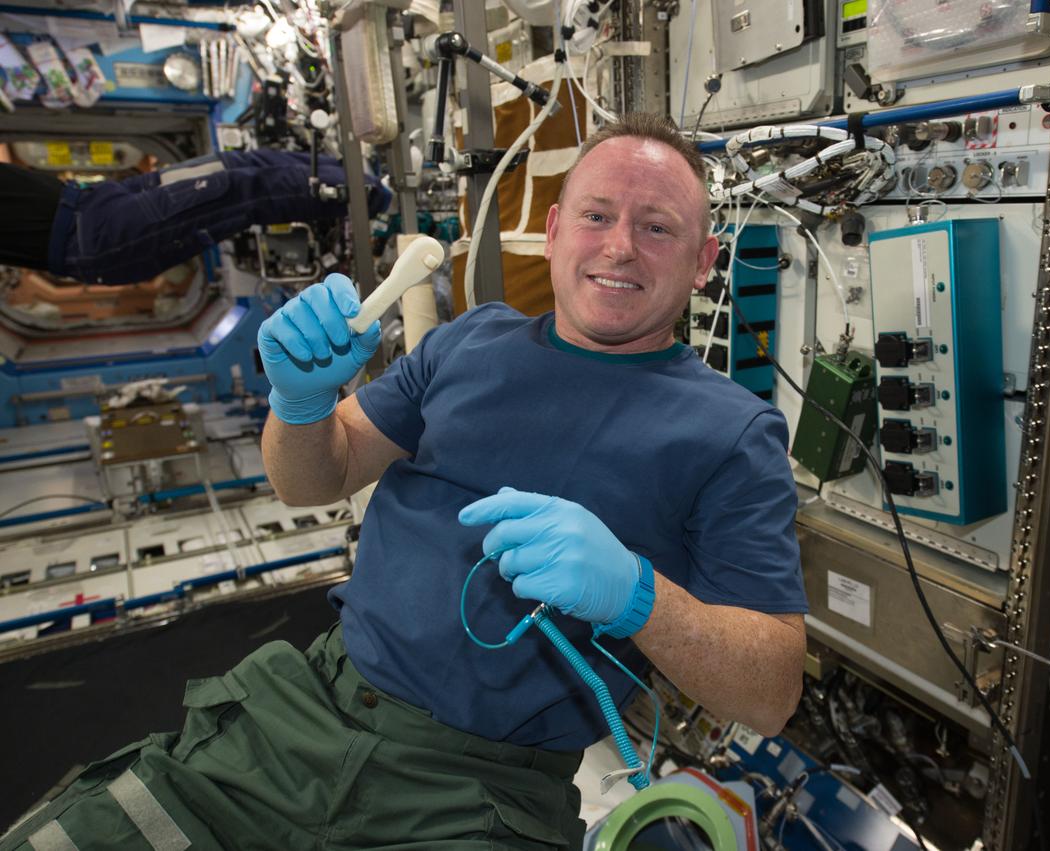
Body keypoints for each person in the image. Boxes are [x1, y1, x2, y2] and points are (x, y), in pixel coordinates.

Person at [0, 112, 807, 850]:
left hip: (477, 793)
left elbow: (770, 691)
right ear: (555, 231)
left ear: (704, 262)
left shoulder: (732, 432)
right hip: (290, 722)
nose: (619, 246)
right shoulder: (471, 340)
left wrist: (639, 594)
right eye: (596, 216)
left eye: (657, 227)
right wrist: (303, 401)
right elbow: (315, 476)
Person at [0, 150, 389, 285]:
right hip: (92, 237)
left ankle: (353, 172)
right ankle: (369, 196)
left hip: (91, 202)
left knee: (232, 164)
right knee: (239, 190)